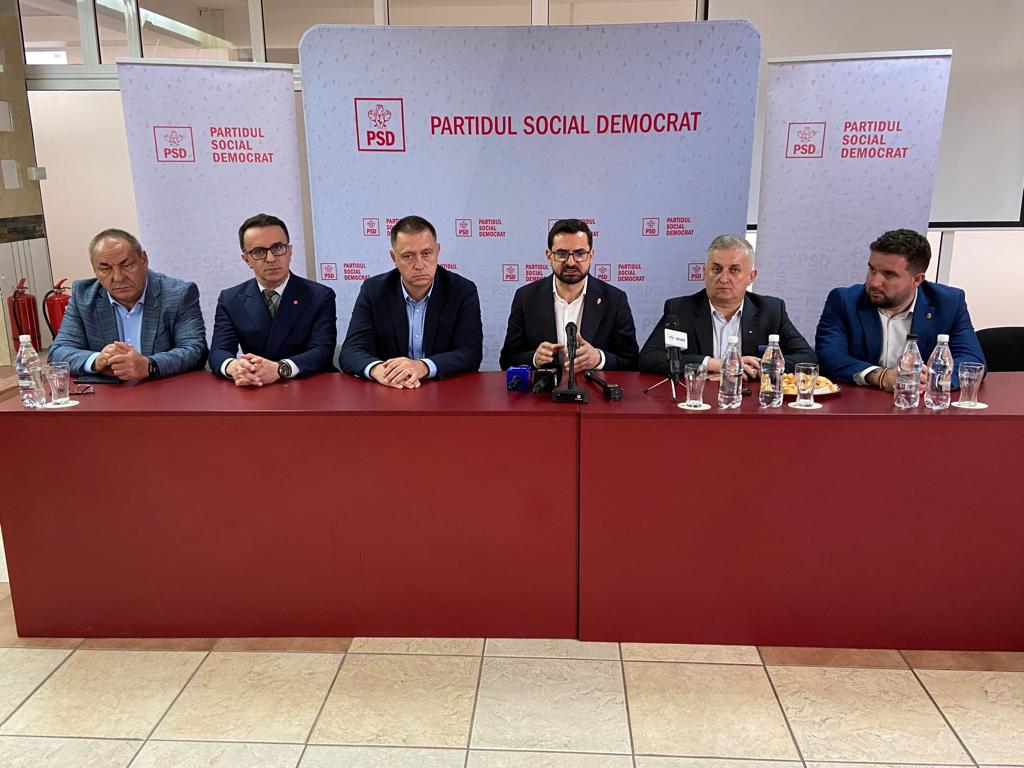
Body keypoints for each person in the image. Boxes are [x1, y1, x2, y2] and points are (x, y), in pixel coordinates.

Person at [815, 228, 985, 390]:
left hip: (918, 402)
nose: (874, 282)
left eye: (889, 274)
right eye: (872, 270)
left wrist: (928, 380)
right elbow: (829, 356)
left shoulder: (949, 302)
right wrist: (880, 376)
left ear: (917, 280)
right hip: (859, 403)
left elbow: (972, 361)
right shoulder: (844, 301)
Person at [639, 234, 815, 377]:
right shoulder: (680, 309)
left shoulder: (771, 310)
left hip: (750, 401)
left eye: (734, 270)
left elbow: (807, 358)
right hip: (698, 399)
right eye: (716, 269)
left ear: (751, 276)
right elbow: (648, 358)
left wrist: (751, 369)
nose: (723, 279)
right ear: (705, 272)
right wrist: (714, 364)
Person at [339, 215, 483, 387]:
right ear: (394, 258)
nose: (419, 265)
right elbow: (351, 351)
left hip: (443, 390)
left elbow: (470, 353)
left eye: (426, 253)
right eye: (408, 256)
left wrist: (422, 366)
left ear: (437, 251)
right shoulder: (374, 290)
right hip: (391, 390)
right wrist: (380, 370)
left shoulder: (461, 290)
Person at [48, 228, 207, 381]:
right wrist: (97, 360)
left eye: (126, 265)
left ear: (143, 260)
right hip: (109, 395)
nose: (118, 277)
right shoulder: (84, 297)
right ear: (95, 270)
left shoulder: (178, 294)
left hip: (163, 391)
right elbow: (58, 352)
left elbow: (195, 350)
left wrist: (149, 365)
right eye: (105, 268)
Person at [210, 213, 337, 385]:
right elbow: (219, 351)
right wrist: (235, 367)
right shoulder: (230, 299)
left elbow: (322, 351)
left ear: (289, 251)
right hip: (256, 386)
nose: (270, 259)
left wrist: (279, 369)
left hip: (308, 384)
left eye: (277, 248)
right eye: (258, 252)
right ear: (246, 259)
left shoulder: (320, 296)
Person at [499, 219, 638, 373]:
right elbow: (507, 360)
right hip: (544, 388)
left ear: (591, 255)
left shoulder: (615, 300)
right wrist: (534, 359)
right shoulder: (526, 298)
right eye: (562, 254)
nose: (571, 262)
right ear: (549, 256)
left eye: (580, 253)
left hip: (593, 387)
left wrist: (599, 359)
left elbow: (632, 362)